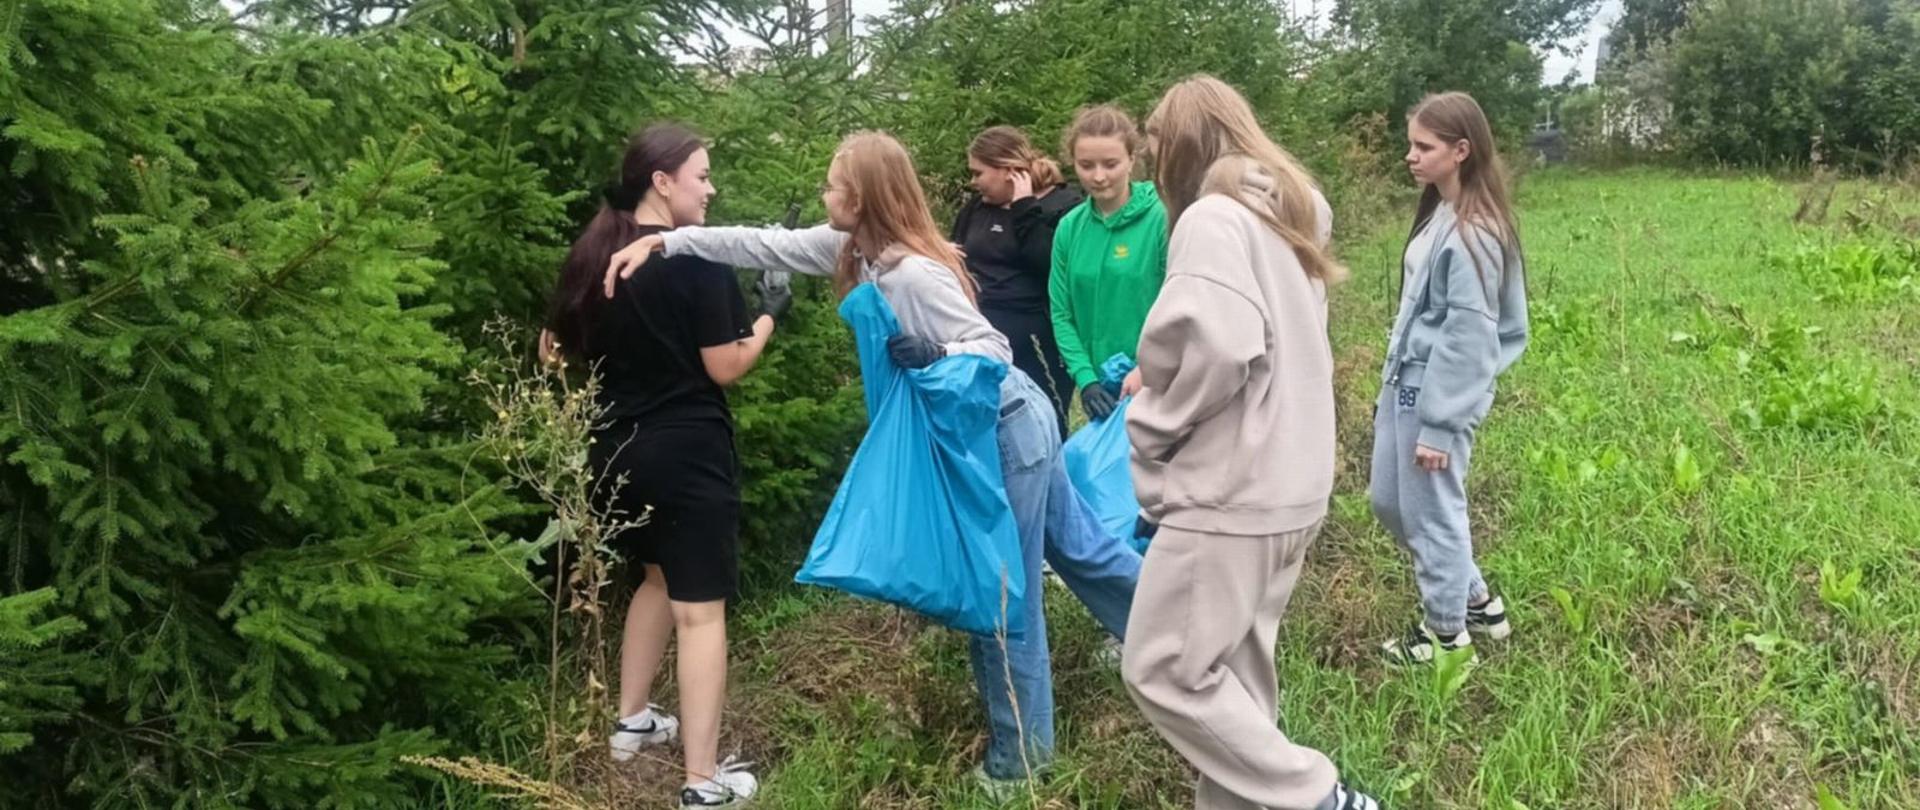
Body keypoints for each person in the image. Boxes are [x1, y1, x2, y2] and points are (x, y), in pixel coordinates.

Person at [600, 131, 1139, 793]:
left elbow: (993, 350)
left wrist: (938, 354)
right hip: (1003, 423)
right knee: (1080, 547)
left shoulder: (912, 273)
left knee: (1001, 593)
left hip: (1006, 430)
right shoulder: (853, 249)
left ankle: (1020, 762)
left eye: (833, 186)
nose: (823, 194)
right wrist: (667, 243)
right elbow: (760, 244)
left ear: (862, 198)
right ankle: (1175, 638)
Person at [1120, 76, 1379, 810]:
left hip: (1231, 487)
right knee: (1235, 682)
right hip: (1292, 480)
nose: (1150, 156)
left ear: (1184, 142)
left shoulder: (1214, 218)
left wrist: (1152, 420)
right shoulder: (1289, 214)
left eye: (1156, 139)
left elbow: (1221, 347)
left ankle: (1322, 797)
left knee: (1163, 668)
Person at [542, 123, 787, 809]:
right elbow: (726, 365)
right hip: (686, 454)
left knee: (654, 577)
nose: (711, 190)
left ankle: (633, 723)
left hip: (612, 452)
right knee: (700, 614)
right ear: (662, 181)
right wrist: (770, 314)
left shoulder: (593, 251)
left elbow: (551, 350)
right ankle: (703, 785)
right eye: (701, 176)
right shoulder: (699, 258)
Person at [1371, 91, 1529, 665]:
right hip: (1406, 382)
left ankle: (1445, 635)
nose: (1410, 156)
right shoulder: (1442, 212)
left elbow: (1468, 335)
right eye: (1410, 145)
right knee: (1389, 502)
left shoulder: (1474, 233)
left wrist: (1439, 424)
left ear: (1461, 150)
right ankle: (1477, 601)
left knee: (1432, 511)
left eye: (1424, 147)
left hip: (1434, 391)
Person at [951, 126, 1084, 433]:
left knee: (1042, 425)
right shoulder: (976, 208)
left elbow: (1048, 264)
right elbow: (959, 254)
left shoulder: (1061, 206)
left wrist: (1024, 208)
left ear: (1008, 170)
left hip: (1035, 336)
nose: (973, 182)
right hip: (980, 330)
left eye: (978, 173)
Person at [1048, 104, 1169, 420]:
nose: (1098, 176)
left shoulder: (1161, 217)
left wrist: (1149, 367)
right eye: (1086, 165)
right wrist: (1085, 379)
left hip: (1159, 382)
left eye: (1110, 164)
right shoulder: (1069, 228)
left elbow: (1179, 303)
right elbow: (1061, 313)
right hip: (1102, 388)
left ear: (1131, 160)